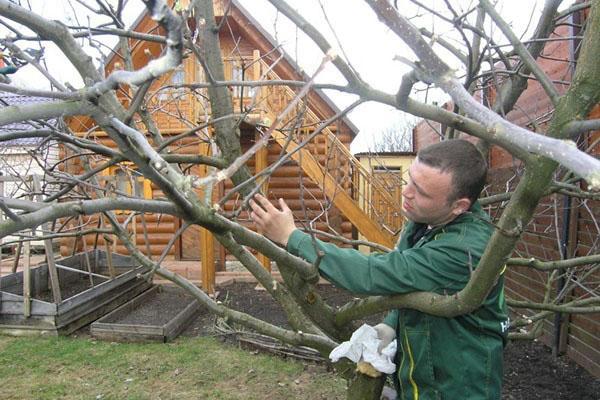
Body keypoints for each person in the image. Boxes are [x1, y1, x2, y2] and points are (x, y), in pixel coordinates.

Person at [250, 139, 508, 400]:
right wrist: (391, 325)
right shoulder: (427, 220)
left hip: (458, 386)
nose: (406, 193)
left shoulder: (465, 250)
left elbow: (375, 273)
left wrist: (292, 237)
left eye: (421, 192)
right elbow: (412, 284)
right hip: (424, 374)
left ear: (459, 206)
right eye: (410, 180)